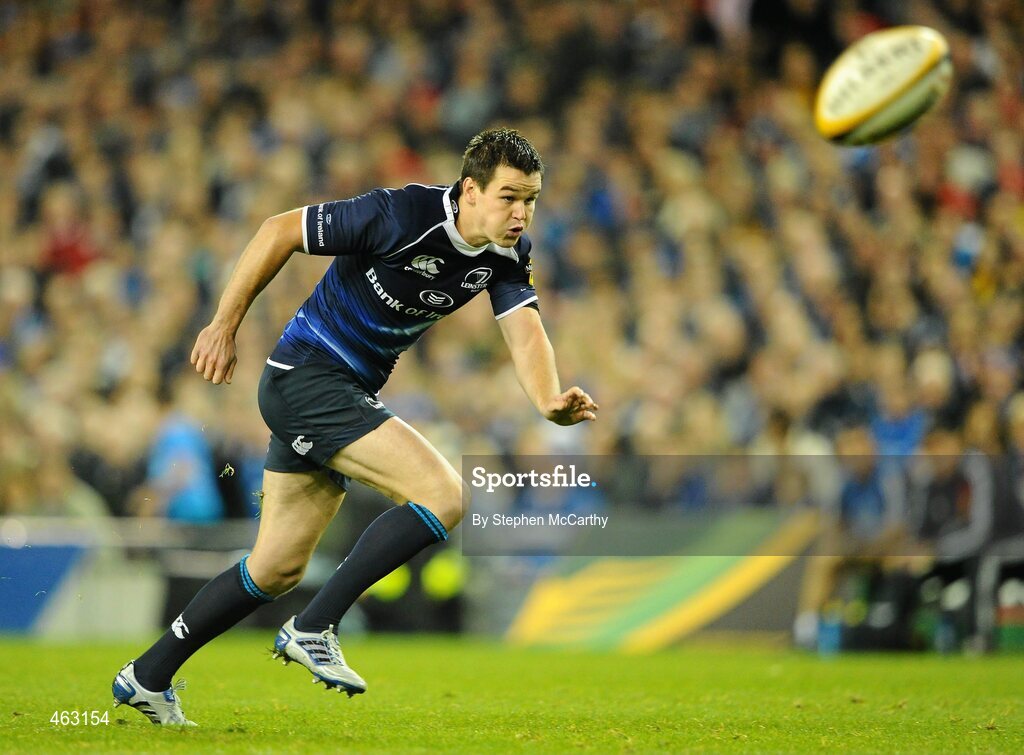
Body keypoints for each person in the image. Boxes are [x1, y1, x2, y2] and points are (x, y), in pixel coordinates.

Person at [111, 128, 598, 725]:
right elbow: (278, 230)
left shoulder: (504, 254)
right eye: (510, 197)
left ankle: (147, 675)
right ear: (470, 190)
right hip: (308, 377)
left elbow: (525, 330)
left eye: (531, 199)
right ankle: (317, 624)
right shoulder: (398, 214)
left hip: (334, 393)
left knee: (276, 567)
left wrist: (548, 400)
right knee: (443, 494)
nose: (522, 213)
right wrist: (223, 324)